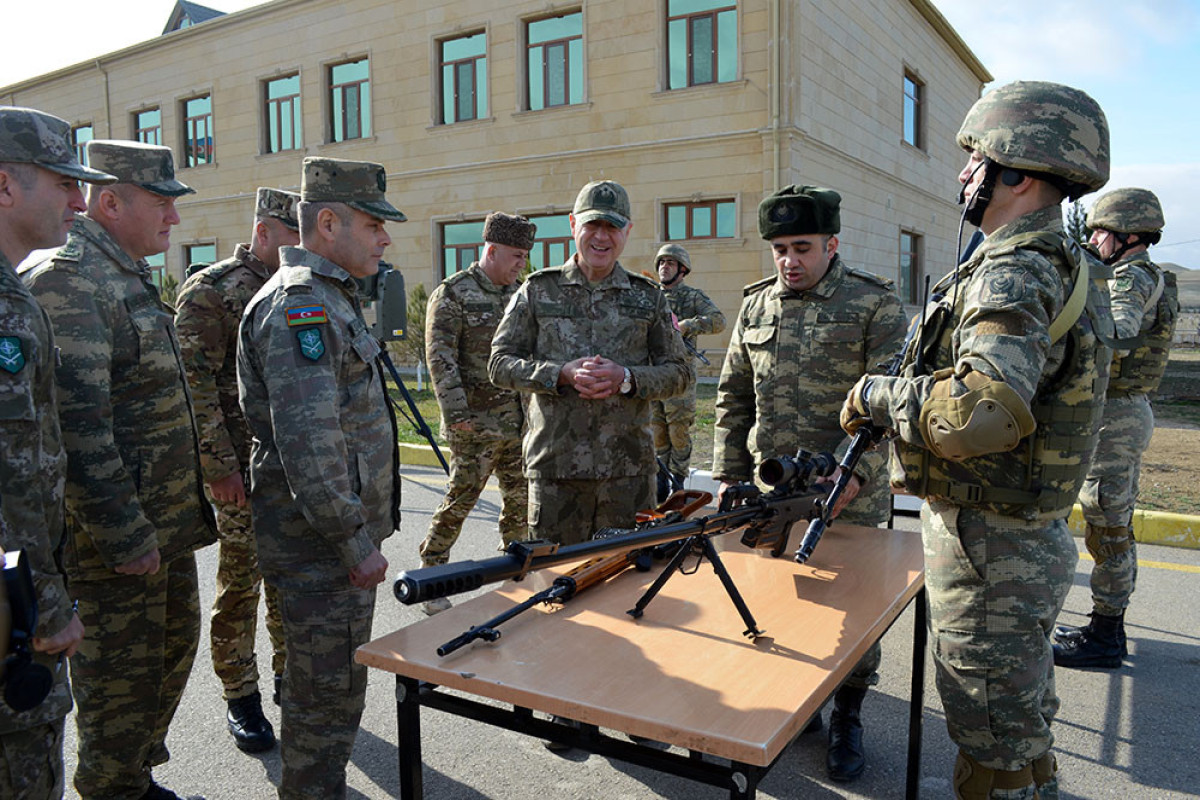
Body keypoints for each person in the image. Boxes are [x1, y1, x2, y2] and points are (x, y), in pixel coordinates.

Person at [840, 80, 1112, 799]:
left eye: (976, 161)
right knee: (1014, 712)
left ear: (1017, 174)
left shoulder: (1015, 269)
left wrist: (876, 394)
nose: (963, 175)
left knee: (989, 715)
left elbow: (979, 415)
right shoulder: (1052, 256)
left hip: (992, 542)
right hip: (1011, 535)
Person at [22, 139, 217, 800]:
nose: (175, 219)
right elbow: (77, 428)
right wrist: (124, 533)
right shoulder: (70, 279)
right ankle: (113, 786)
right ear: (111, 202)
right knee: (119, 698)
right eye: (162, 203)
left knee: (166, 665)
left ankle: (134, 779)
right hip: (116, 547)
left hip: (161, 532)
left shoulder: (123, 271)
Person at [711, 185, 905, 782]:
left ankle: (848, 710)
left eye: (801, 247)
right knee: (773, 601)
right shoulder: (755, 306)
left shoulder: (874, 305)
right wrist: (728, 475)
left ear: (831, 244)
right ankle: (796, 703)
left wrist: (858, 475)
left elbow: (893, 409)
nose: (789, 260)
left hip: (849, 495)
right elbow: (733, 396)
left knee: (852, 611)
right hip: (773, 492)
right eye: (779, 249)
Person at [237, 157, 403, 800]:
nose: (385, 237)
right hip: (321, 548)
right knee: (321, 705)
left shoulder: (331, 297)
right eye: (373, 223)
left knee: (331, 695)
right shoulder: (300, 304)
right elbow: (310, 442)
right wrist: (353, 540)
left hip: (330, 543)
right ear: (327, 222)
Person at [0, 105, 115, 800]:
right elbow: (11, 475)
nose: (79, 201)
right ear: (5, 187)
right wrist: (45, 606)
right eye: (62, 183)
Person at [489, 180, 692, 545]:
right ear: (572, 225)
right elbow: (499, 364)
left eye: (612, 226)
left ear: (627, 231)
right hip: (555, 473)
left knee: (629, 584)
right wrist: (559, 374)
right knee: (555, 583)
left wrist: (626, 378)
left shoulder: (649, 298)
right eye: (592, 225)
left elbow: (680, 373)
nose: (602, 237)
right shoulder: (538, 290)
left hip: (628, 476)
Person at [174, 187, 300, 750]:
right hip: (240, 469)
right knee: (242, 580)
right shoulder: (214, 290)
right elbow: (192, 382)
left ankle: (285, 677)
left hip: (291, 466)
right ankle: (239, 691)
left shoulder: (300, 288)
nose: (303, 248)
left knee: (290, 576)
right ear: (265, 231)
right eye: (294, 237)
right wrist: (218, 466)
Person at [1053, 188, 1177, 670]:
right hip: (1118, 413)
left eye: (1101, 232)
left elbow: (1117, 334)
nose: (1095, 239)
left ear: (1128, 236)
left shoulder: (1131, 279)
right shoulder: (1139, 275)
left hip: (1116, 419)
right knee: (1111, 522)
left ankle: (1106, 634)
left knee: (1107, 525)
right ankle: (1104, 627)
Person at [419, 211, 534, 615]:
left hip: (518, 422)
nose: (522, 263)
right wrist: (455, 413)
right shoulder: (454, 294)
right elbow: (440, 356)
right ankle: (431, 576)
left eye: (525, 257)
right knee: (462, 499)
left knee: (520, 501)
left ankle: (517, 572)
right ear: (492, 249)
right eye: (517, 255)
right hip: (475, 423)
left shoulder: (518, 294)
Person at [650, 243, 725, 496]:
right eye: (661, 263)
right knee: (657, 430)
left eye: (670, 263)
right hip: (653, 375)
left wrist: (687, 325)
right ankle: (661, 479)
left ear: (682, 269)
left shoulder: (693, 296)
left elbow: (718, 320)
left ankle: (679, 481)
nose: (664, 267)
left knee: (678, 430)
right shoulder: (651, 296)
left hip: (680, 376)